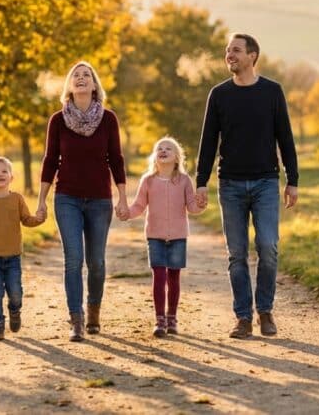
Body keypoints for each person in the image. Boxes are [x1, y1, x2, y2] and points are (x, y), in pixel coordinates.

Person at [195, 33, 299, 339]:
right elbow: (208, 141)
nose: (230, 55)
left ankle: (265, 311)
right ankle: (243, 317)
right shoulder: (219, 94)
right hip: (230, 183)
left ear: (252, 55)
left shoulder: (272, 92)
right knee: (236, 253)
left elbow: (285, 137)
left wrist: (292, 180)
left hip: (266, 181)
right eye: (228, 50)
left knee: (268, 247)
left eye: (236, 50)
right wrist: (201, 182)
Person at [36, 61, 129, 342]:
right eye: (76, 75)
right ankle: (75, 319)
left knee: (96, 262)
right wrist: (41, 200)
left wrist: (123, 197)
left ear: (94, 84)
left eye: (86, 75)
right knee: (73, 260)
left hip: (100, 200)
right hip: (67, 199)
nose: (81, 78)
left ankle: (93, 311)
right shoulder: (58, 120)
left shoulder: (108, 119)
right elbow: (50, 160)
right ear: (69, 85)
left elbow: (116, 159)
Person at [124, 136, 203, 337]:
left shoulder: (184, 180)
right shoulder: (148, 180)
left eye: (169, 148)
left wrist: (200, 205)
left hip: (178, 236)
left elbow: (192, 207)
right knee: (159, 276)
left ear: (177, 157)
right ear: (154, 156)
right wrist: (127, 213)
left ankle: (172, 318)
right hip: (155, 236)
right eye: (160, 148)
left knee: (174, 277)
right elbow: (139, 206)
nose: (164, 151)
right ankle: (159, 319)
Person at [0, 156, 45, 341]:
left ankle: (14, 310)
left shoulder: (17, 199)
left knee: (15, 292)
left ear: (11, 177)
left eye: (4, 171)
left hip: (13, 257)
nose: (0, 174)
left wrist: (38, 219)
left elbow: (26, 219)